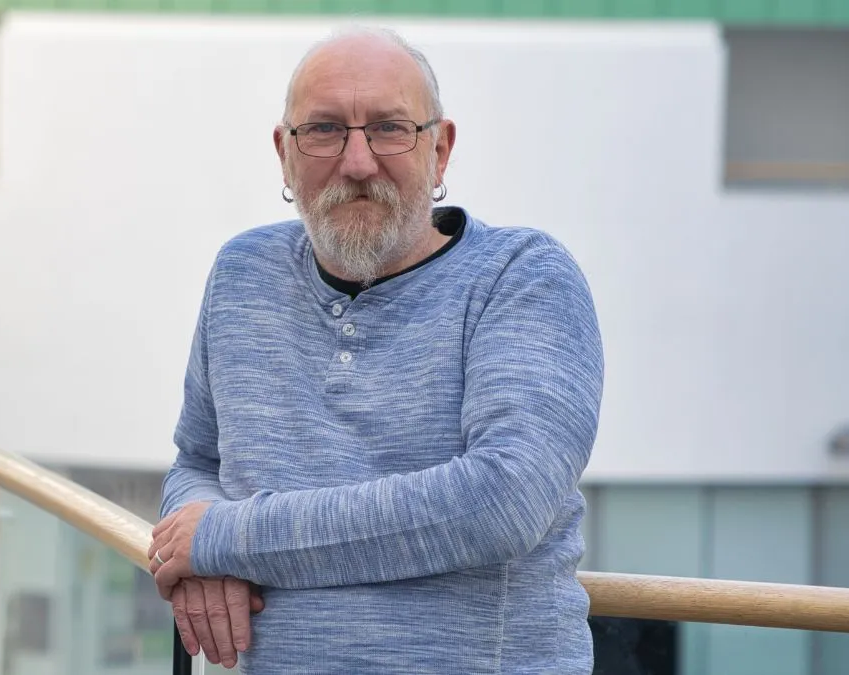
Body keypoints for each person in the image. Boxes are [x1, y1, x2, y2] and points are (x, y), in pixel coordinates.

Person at [147, 24, 605, 674]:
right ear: (284, 152)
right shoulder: (242, 274)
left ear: (440, 149)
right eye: (325, 130)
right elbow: (197, 459)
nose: (357, 162)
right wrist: (197, 542)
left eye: (390, 129)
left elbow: (504, 499)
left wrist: (226, 540)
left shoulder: (524, 277)